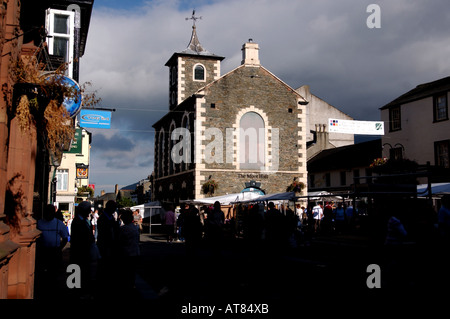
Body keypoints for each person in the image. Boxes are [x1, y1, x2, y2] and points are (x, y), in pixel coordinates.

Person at [36, 204, 70, 296]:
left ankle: (53, 291)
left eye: (50, 212)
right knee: (43, 273)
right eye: (47, 211)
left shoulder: (59, 223)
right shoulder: (39, 223)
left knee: (54, 273)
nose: (48, 214)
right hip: (43, 251)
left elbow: (65, 238)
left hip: (54, 251)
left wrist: (59, 248)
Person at [70, 201, 96, 298]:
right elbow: (80, 238)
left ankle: (81, 291)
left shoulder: (84, 221)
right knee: (77, 274)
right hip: (79, 252)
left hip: (83, 253)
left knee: (83, 273)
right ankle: (76, 293)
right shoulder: (77, 222)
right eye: (88, 210)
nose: (89, 212)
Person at [96, 200, 120, 297]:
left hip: (110, 246)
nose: (114, 210)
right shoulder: (104, 218)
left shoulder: (109, 218)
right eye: (114, 208)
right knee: (104, 266)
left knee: (108, 266)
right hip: (105, 246)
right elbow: (104, 233)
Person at [118, 209, 141, 294]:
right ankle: (132, 285)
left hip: (126, 253)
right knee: (132, 272)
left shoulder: (123, 229)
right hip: (135, 252)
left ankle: (127, 287)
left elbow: (120, 242)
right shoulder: (135, 228)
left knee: (126, 272)